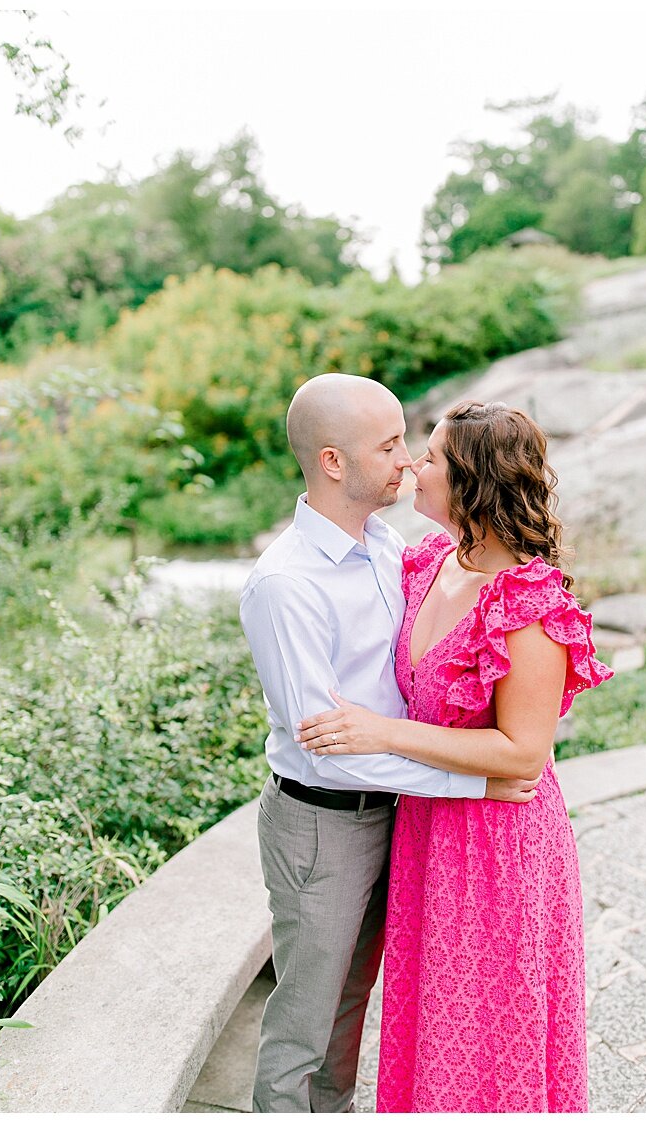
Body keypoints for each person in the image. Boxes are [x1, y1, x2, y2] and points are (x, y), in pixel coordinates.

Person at [296, 399, 613, 1112]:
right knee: (432, 1027)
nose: (412, 464)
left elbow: (523, 752)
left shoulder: (529, 604)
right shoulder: (430, 563)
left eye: (431, 457)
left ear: (471, 482)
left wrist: (382, 731)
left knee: (490, 1035)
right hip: (428, 831)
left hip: (498, 846)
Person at [238, 375, 538, 1114]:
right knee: (304, 1022)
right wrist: (477, 783)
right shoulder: (286, 585)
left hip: (397, 817)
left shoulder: (386, 545)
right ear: (334, 462)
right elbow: (327, 747)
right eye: (389, 444)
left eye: (407, 442)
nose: (406, 459)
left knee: (349, 1007)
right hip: (323, 823)